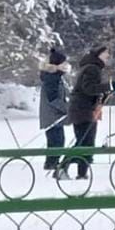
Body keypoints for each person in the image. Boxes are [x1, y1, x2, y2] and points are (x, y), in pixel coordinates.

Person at [67, 46, 115, 179]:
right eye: (106, 53)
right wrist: (110, 86)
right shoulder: (92, 68)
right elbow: (88, 89)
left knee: (85, 142)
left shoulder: (91, 68)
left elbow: (92, 90)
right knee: (84, 142)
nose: (108, 56)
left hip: (82, 109)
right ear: (98, 55)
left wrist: (106, 92)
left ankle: (81, 172)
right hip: (83, 110)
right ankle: (65, 167)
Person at [39, 48, 71, 177]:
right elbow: (53, 99)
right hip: (53, 117)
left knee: (57, 141)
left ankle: (52, 164)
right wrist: (67, 108)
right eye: (63, 63)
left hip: (55, 116)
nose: (66, 65)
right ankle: (51, 165)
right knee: (56, 142)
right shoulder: (52, 78)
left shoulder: (55, 77)